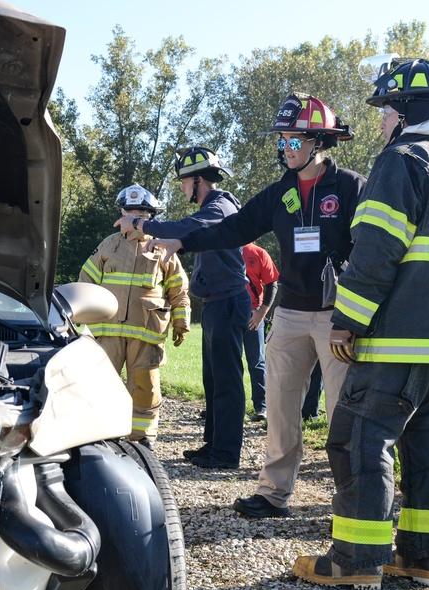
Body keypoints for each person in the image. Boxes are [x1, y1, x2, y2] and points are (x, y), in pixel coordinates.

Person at [292, 57, 429, 589]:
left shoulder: (401, 161)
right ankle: (423, 559)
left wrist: (346, 322)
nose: (381, 121)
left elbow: (376, 251)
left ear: (404, 111)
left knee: (363, 437)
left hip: (401, 339)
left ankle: (356, 562)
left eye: (385, 109)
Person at [141, 93, 365, 515]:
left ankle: (350, 501)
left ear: (318, 142)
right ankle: (273, 493)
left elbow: (374, 251)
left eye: (293, 141)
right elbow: (234, 228)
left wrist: (357, 315)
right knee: (280, 407)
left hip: (339, 317)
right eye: (281, 141)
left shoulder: (352, 187)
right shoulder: (280, 193)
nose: (285, 149)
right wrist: (182, 240)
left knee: (343, 414)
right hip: (292, 315)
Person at [113, 147, 249, 469]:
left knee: (227, 382)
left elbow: (185, 228)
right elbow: (189, 235)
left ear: (198, 179)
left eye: (184, 182)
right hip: (218, 303)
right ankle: (213, 446)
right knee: (213, 381)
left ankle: (226, 454)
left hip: (228, 302)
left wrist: (138, 222)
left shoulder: (220, 206)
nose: (183, 188)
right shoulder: (214, 207)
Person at [80, 184, 191, 451]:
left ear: (149, 216)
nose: (133, 216)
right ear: (121, 213)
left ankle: (142, 436)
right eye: (129, 211)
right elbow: (86, 282)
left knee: (145, 385)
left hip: (146, 332)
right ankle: (100, 432)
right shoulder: (108, 245)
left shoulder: (163, 248)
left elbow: (178, 288)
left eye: (140, 212)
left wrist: (181, 320)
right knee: (102, 383)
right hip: (107, 331)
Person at [242, 242, 278, 422]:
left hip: (253, 315)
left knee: (256, 362)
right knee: (227, 363)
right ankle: (227, 406)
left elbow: (272, 283)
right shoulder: (223, 247)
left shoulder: (258, 253)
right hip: (228, 314)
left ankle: (261, 406)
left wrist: (261, 313)